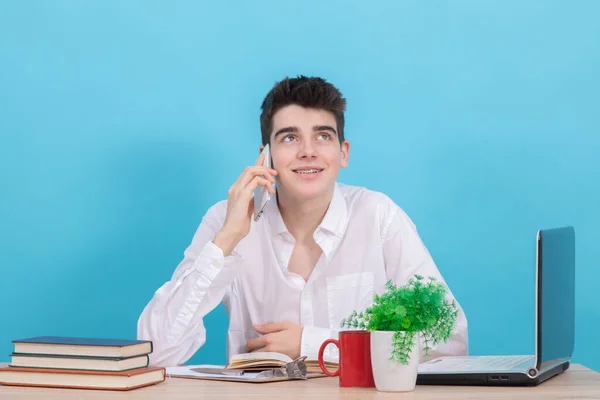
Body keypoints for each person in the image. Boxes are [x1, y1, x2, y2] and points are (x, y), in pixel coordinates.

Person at [137, 76, 468, 367]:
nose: (308, 151)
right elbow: (156, 353)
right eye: (290, 138)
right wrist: (226, 240)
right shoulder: (227, 220)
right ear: (265, 156)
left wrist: (313, 345)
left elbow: (448, 344)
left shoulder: (379, 217)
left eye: (323, 136)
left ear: (343, 153)